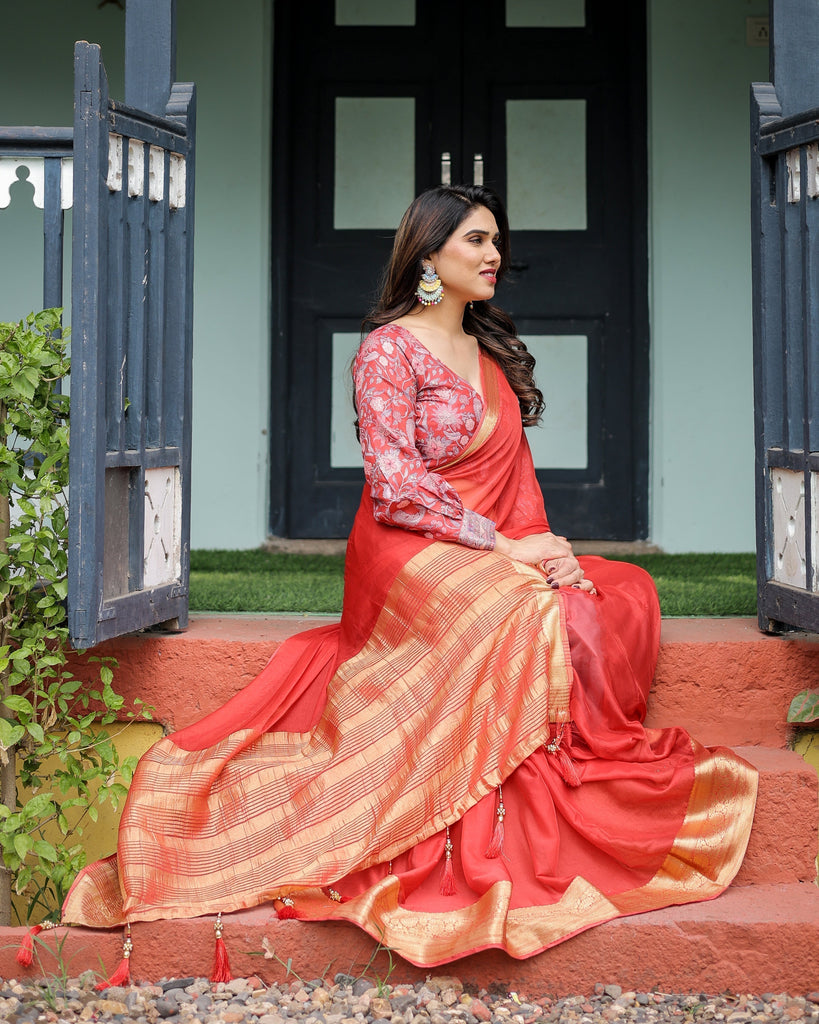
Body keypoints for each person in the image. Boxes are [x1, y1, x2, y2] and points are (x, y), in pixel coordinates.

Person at [62, 185, 757, 969]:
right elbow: (394, 486)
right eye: (475, 241)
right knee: (524, 611)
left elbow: (515, 483)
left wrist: (543, 547)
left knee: (610, 592)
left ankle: (566, 772)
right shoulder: (387, 350)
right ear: (428, 256)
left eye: (495, 240)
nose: (493, 255)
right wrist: (503, 549)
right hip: (406, 548)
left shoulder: (489, 353)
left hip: (489, 542)